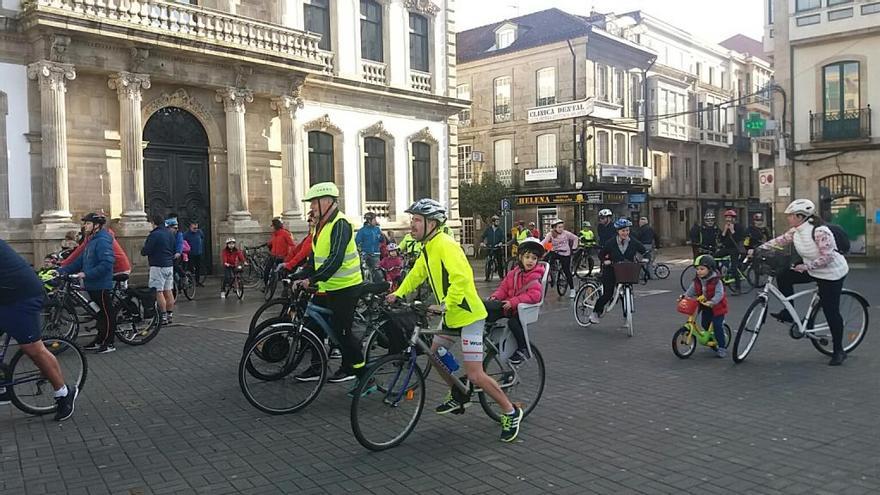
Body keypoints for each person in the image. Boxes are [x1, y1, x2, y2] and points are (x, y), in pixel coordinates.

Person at [386, 199, 524, 442]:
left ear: (432, 223)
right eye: (413, 220)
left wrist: (445, 305)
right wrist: (398, 293)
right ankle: (458, 393)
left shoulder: (446, 244)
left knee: (475, 375)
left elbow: (462, 278)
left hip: (468, 315)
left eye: (417, 220)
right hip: (451, 315)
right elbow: (418, 273)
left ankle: (510, 411)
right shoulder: (429, 246)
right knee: (434, 354)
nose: (412, 225)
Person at [757, 199, 850, 366]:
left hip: (831, 274)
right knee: (784, 275)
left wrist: (806, 266)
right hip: (812, 269)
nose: (788, 218)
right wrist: (759, 249)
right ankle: (788, 311)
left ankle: (839, 351)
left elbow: (828, 257)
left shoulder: (820, 231)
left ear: (801, 216)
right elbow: (780, 241)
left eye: (791, 215)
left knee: (831, 311)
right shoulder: (796, 231)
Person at [290, 182, 366, 383]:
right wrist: (301, 275)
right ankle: (316, 367)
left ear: (327, 201)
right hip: (327, 285)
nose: (312, 207)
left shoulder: (341, 224)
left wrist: (312, 279)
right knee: (312, 326)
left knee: (342, 332)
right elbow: (315, 258)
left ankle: (359, 371)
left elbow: (335, 259)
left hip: (346, 286)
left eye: (314, 202)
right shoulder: (319, 226)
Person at [0, 240, 79, 420]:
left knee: (32, 348)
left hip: (22, 296)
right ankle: (3, 382)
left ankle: (63, 392)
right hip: (5, 296)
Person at [58, 212, 117, 353]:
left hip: (101, 284)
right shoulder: (92, 240)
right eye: (85, 223)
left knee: (107, 314)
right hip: (91, 284)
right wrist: (62, 270)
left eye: (88, 223)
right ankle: (99, 340)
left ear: (97, 225)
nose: (85, 226)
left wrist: (86, 273)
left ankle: (109, 343)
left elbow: (107, 263)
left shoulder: (102, 240)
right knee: (99, 315)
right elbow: (81, 261)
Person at [485, 238, 546, 365]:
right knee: (490, 310)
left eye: (534, 258)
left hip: (523, 309)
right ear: (520, 258)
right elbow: (503, 288)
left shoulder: (535, 276)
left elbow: (534, 296)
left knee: (514, 323)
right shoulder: (513, 273)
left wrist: (513, 302)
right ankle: (486, 335)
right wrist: (496, 297)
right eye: (527, 257)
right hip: (510, 306)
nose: (530, 261)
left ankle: (523, 348)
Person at [588, 218, 647, 325]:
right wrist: (606, 261)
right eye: (623, 231)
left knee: (626, 294)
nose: (625, 233)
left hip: (626, 271)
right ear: (618, 231)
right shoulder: (611, 242)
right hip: (611, 270)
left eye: (627, 230)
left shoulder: (633, 242)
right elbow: (601, 254)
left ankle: (627, 317)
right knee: (608, 294)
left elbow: (644, 250)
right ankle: (595, 313)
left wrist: (644, 258)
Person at [681, 255, 728, 358]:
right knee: (704, 323)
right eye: (697, 269)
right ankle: (711, 336)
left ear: (710, 269)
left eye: (702, 269)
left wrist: (712, 302)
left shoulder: (717, 281)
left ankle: (722, 347)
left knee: (717, 326)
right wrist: (684, 296)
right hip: (705, 306)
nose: (699, 271)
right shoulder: (697, 280)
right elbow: (691, 290)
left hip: (717, 307)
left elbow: (720, 294)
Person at [142, 214, 176, 325]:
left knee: (158, 291)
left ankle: (163, 316)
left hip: (158, 265)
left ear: (153, 223)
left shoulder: (154, 235)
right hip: (169, 265)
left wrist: (144, 250)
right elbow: (173, 248)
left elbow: (146, 250)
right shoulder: (170, 233)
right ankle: (170, 315)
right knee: (168, 290)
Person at [543, 219, 579, 298]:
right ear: (554, 228)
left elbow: (575, 238)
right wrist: (548, 247)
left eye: (562, 227)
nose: (561, 229)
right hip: (555, 252)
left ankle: (572, 290)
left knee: (566, 270)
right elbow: (545, 242)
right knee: (545, 261)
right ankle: (549, 275)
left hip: (565, 253)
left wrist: (574, 248)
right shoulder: (550, 234)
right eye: (559, 227)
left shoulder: (566, 233)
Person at [717, 210, 745, 291]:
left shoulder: (739, 227)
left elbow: (739, 239)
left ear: (733, 219)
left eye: (730, 218)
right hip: (726, 248)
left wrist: (733, 231)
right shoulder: (725, 227)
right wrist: (725, 230)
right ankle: (720, 276)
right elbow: (721, 240)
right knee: (714, 258)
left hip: (735, 249)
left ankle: (738, 288)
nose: (728, 219)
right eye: (727, 218)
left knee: (734, 268)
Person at [265, 218, 296, 287]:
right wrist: (268, 244)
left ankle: (285, 289)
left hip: (282, 256)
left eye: (272, 226)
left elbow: (292, 244)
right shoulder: (274, 234)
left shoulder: (285, 233)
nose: (271, 227)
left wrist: (289, 255)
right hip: (273, 255)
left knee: (284, 273)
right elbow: (272, 242)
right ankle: (266, 285)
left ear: (275, 226)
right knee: (267, 270)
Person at [356, 212, 383, 283]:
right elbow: (356, 242)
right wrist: (360, 251)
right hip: (365, 254)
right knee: (364, 270)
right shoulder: (362, 231)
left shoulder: (377, 229)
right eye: (374, 219)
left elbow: (382, 240)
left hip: (375, 254)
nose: (375, 221)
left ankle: (379, 287)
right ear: (369, 220)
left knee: (377, 271)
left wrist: (382, 236)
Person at [481, 215, 506, 279]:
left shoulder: (500, 230)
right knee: (489, 262)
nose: (498, 223)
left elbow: (503, 238)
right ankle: (487, 276)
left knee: (499, 262)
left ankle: (501, 276)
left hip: (497, 247)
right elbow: (483, 236)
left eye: (498, 221)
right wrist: (482, 242)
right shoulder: (488, 229)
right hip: (490, 247)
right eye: (496, 222)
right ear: (493, 222)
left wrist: (501, 242)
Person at [183, 221, 206, 286]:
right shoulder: (186, 234)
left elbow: (202, 238)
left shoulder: (199, 232)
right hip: (190, 254)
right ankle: (190, 282)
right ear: (190, 227)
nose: (196, 229)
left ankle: (197, 281)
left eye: (196, 227)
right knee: (190, 268)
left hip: (198, 253)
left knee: (198, 268)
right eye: (194, 227)